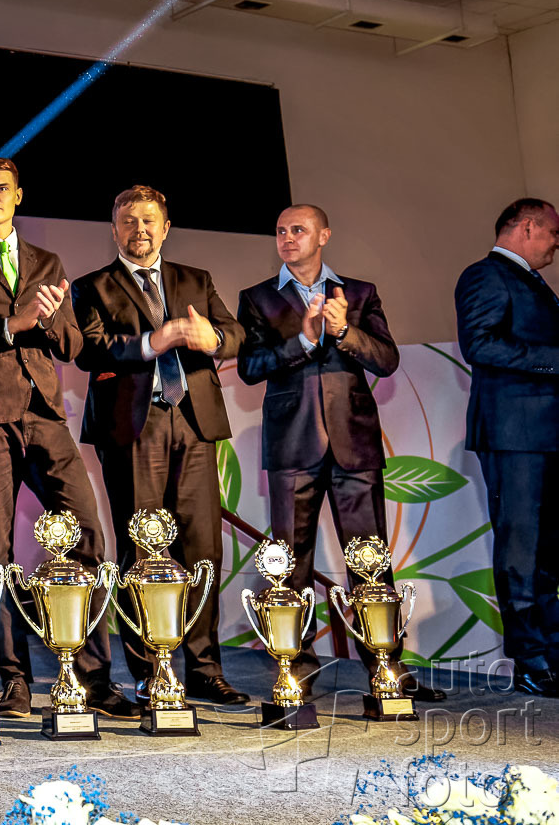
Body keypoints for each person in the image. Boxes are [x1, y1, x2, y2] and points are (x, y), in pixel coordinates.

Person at [0, 158, 138, 721]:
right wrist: (13, 323)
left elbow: (72, 345)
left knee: (88, 536)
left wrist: (47, 320)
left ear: (18, 196)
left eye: (1, 189)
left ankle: (93, 679)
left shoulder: (46, 262)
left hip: (46, 415)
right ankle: (15, 680)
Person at [238, 205, 443, 702]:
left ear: (324, 235)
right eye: (281, 231)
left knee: (370, 559)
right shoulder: (258, 298)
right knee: (289, 566)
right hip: (292, 445)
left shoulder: (360, 292)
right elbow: (250, 367)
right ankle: (295, 671)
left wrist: (345, 332)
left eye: (299, 229)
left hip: (355, 442)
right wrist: (305, 340)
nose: (288, 237)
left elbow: (387, 360)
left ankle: (387, 667)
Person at [70, 185, 247, 707]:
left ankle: (204, 669)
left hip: (193, 422)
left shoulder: (196, 279)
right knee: (142, 549)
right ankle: (151, 670)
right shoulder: (92, 285)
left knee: (202, 549)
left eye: (149, 220)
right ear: (114, 229)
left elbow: (235, 334)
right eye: (129, 221)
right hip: (132, 426)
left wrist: (214, 339)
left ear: (166, 228)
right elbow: (89, 349)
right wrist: (154, 342)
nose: (140, 230)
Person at [454, 198, 559, 697]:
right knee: (521, 551)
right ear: (528, 227)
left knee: (547, 552)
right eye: (553, 232)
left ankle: (551, 653)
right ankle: (530, 661)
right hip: (514, 435)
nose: (556, 243)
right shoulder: (485, 275)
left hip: (543, 436)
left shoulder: (533, 282)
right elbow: (480, 344)